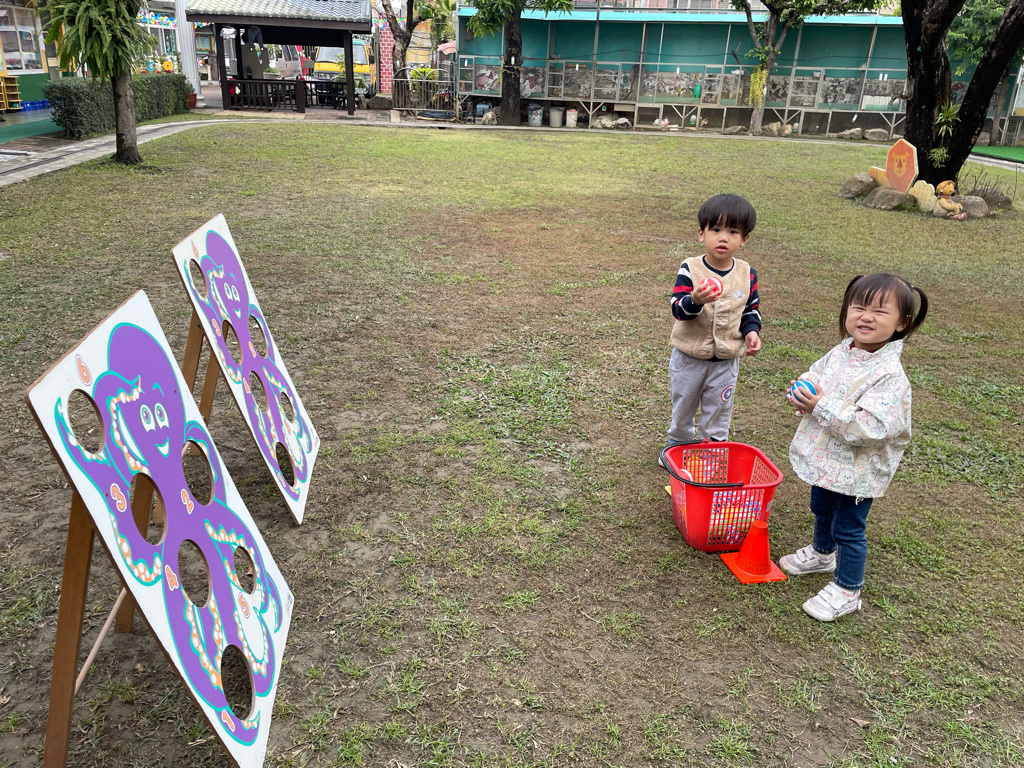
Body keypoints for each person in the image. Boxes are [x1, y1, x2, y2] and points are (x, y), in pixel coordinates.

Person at [781, 273, 928, 622]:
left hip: (859, 470)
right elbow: (817, 373)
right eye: (859, 307)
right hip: (827, 459)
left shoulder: (890, 375)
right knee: (821, 507)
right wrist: (804, 390)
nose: (866, 317)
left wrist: (820, 406)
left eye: (880, 311)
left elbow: (871, 427)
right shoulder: (843, 351)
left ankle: (848, 589)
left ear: (901, 323)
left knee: (848, 527)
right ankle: (822, 554)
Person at [664, 193, 761, 454]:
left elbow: (751, 310)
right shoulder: (690, 268)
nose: (723, 237)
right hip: (689, 359)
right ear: (701, 234)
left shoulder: (747, 274)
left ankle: (711, 456)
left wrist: (752, 332)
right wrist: (695, 300)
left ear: (744, 239)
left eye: (733, 231)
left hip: (725, 363)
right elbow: (678, 309)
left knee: (719, 410)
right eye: (716, 229)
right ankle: (678, 449)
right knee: (683, 407)